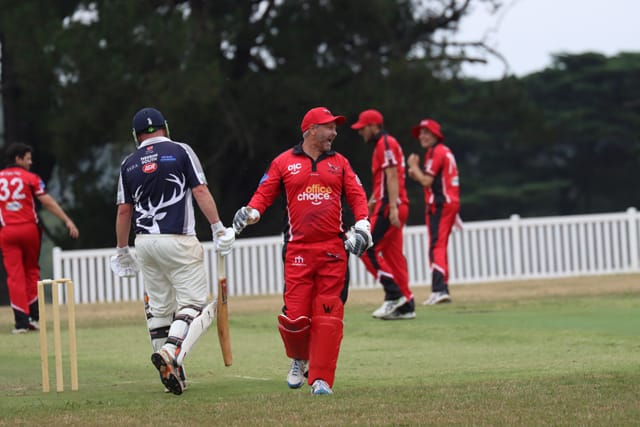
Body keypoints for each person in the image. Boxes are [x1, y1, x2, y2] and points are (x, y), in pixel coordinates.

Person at [232, 106, 371, 396]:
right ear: (311, 130)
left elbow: (357, 196)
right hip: (297, 250)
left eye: (335, 127)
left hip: (333, 250)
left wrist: (362, 225)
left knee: (328, 316)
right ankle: (298, 358)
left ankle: (321, 380)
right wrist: (251, 212)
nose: (334, 132)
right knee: (295, 318)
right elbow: (264, 193)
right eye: (329, 127)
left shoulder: (341, 163)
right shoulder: (283, 162)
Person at [111, 107, 235, 395]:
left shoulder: (128, 163)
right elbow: (200, 191)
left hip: (145, 244)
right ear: (165, 127)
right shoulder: (181, 151)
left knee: (160, 309)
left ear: (136, 135)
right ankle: (170, 352)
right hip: (178, 240)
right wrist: (218, 227)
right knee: (193, 304)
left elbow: (123, 210)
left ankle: (172, 374)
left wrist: (121, 250)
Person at [0, 143, 79, 334]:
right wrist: (67, 220)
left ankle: (21, 322)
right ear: (18, 159)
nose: (30, 162)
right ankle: (34, 317)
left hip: (7, 231)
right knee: (32, 271)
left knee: (15, 276)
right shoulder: (31, 178)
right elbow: (47, 202)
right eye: (27, 158)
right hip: (29, 229)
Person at [350, 109, 415, 320]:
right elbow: (384, 180)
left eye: (363, 128)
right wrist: (373, 199)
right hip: (394, 204)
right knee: (393, 256)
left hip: (389, 207)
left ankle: (393, 295)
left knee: (364, 247)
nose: (361, 132)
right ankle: (407, 305)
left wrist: (392, 207)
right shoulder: (386, 144)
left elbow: (391, 175)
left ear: (373, 126)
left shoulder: (384, 143)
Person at [407, 118, 460, 305]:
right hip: (448, 202)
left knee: (436, 245)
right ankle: (442, 288)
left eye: (426, 133)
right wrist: (417, 173)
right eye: (421, 133)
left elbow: (427, 181)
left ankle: (439, 289)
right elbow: (433, 180)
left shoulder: (436, 152)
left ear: (436, 135)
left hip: (440, 203)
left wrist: (414, 167)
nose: (422, 136)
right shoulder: (442, 151)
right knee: (440, 245)